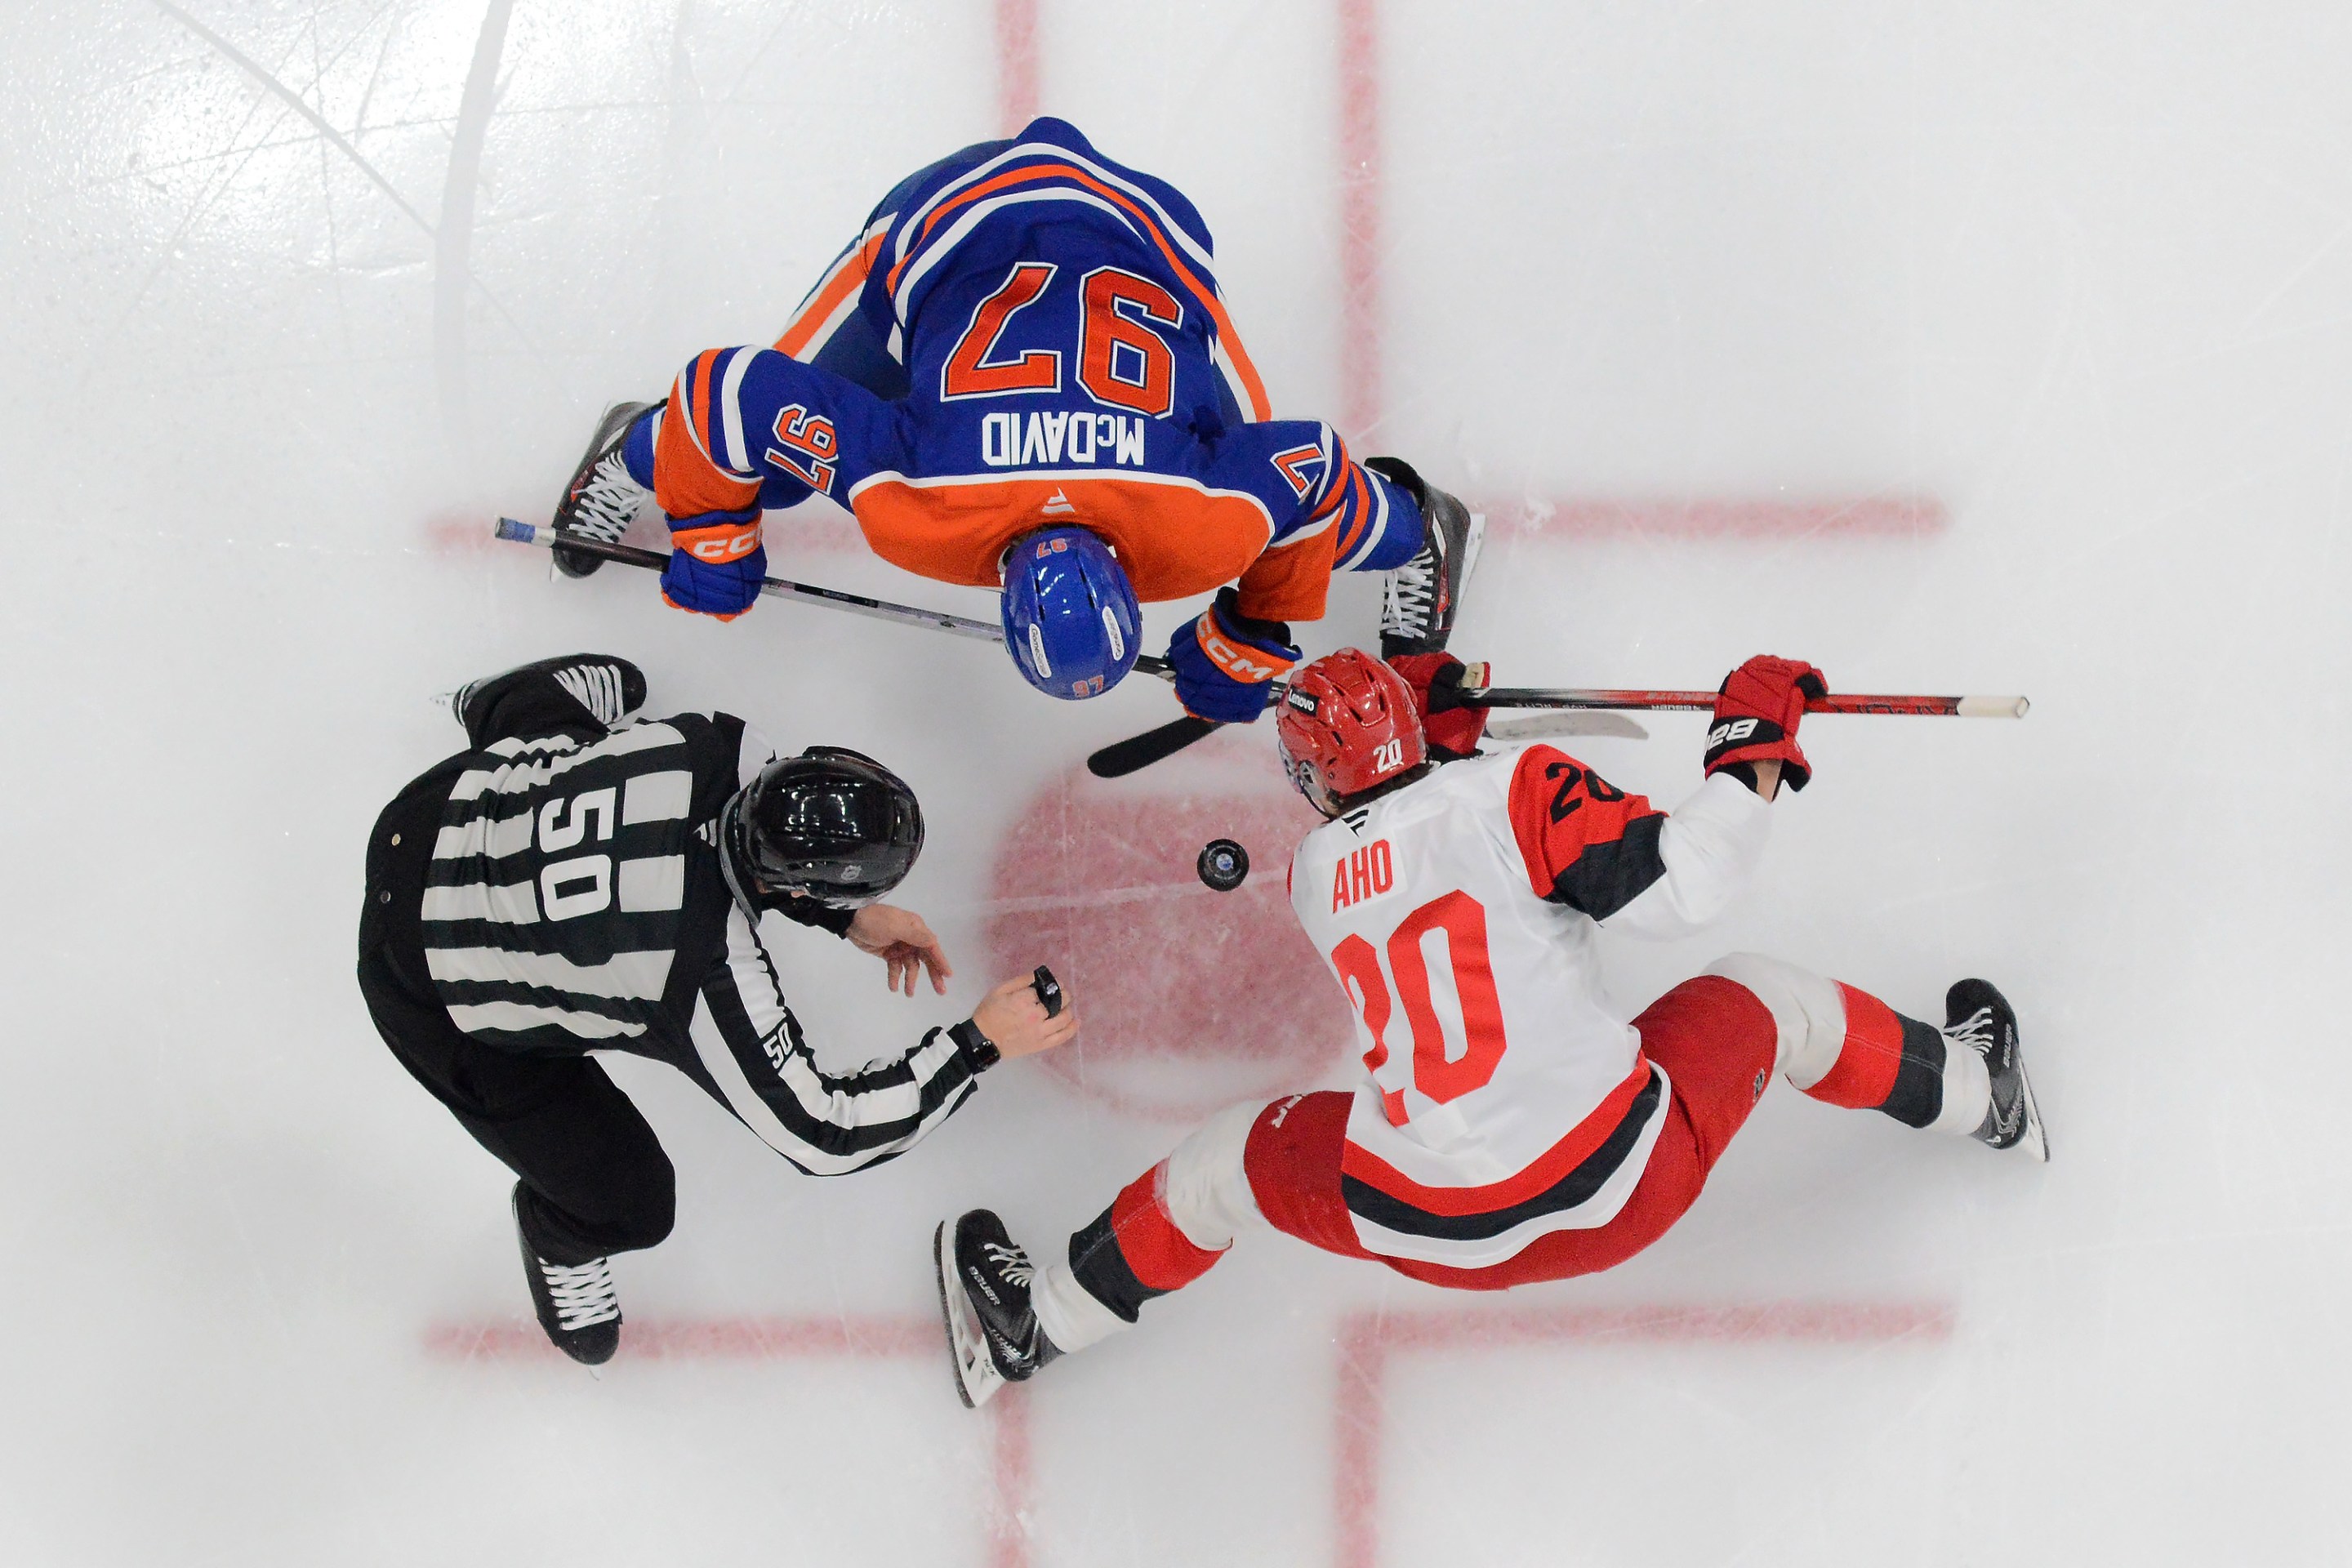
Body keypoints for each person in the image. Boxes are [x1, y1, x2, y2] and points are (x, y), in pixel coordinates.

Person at [931, 649, 2046, 1406]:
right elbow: (1681, 890)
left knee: (1227, 1164)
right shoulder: (1516, 786)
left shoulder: (1320, 875)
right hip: (1624, 1184)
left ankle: (1038, 1329)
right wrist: (1749, 751)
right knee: (1767, 999)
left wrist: (1438, 745)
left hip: (1434, 1227)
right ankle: (1982, 1097)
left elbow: (1421, 836)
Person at [542, 116, 1480, 719]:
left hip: (1094, 224)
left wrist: (1260, 626)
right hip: (1031, 225)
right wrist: (1253, 626)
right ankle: (636, 451)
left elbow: (1306, 470)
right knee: (749, 459)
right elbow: (725, 394)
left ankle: (1415, 529)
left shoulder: (1184, 530)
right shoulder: (920, 511)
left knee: (749, 456)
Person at [357, 653, 1077, 1365]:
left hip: (434, 809)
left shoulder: (717, 742)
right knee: (632, 1204)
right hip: (422, 983)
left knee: (582, 724)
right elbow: (825, 1131)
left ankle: (508, 702)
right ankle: (559, 1235)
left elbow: (710, 845)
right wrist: (975, 1045)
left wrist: (845, 917)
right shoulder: (698, 971)